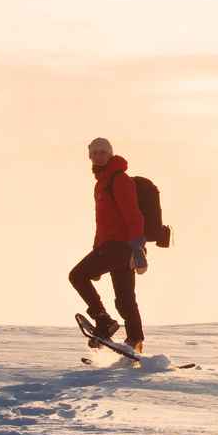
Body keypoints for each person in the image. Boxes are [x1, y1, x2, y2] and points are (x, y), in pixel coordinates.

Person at [68, 137, 148, 353]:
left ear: (110, 154)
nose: (98, 155)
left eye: (103, 152)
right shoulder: (101, 183)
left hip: (120, 247)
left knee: (77, 275)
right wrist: (96, 249)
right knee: (125, 298)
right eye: (94, 152)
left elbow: (134, 215)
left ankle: (103, 320)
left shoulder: (119, 179)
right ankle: (135, 342)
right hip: (112, 246)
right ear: (89, 156)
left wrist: (138, 247)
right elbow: (102, 223)